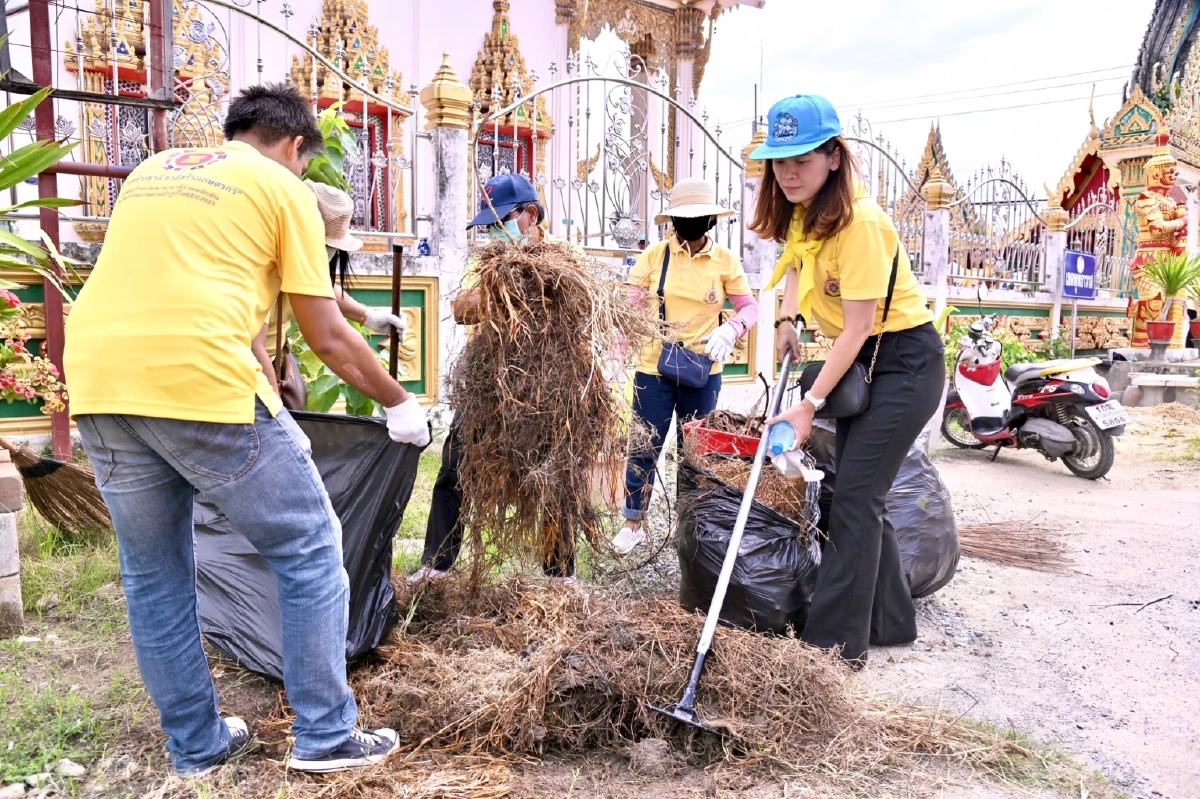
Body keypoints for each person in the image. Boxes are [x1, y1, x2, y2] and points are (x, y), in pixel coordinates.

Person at [63, 84, 430, 777]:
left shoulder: (154, 171)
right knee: (310, 545)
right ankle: (326, 735)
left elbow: (223, 300)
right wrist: (398, 402)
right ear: (295, 147)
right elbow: (326, 335)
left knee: (155, 574)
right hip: (196, 375)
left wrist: (267, 382)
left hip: (98, 378)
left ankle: (197, 745)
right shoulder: (283, 187)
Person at [750, 94, 944, 666]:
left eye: (803, 158)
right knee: (858, 494)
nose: (788, 172)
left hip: (905, 363)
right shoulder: (806, 214)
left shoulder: (861, 225)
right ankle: (888, 621)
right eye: (779, 160)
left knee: (856, 496)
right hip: (869, 363)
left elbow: (857, 328)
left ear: (834, 157)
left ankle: (831, 649)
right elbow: (795, 265)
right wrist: (787, 321)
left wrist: (808, 404)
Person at [411, 173, 577, 581]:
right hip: (489, 380)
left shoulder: (566, 258)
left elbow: (579, 310)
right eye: (488, 225)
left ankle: (560, 573)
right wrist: (504, 286)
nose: (493, 232)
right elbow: (463, 309)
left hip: (549, 384)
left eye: (500, 221)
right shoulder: (487, 263)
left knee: (555, 475)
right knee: (455, 466)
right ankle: (438, 565)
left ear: (531, 215)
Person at [611, 178, 759, 555]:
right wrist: (617, 353)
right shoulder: (655, 256)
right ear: (672, 221)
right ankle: (633, 522)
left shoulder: (725, 261)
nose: (689, 226)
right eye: (682, 219)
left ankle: (688, 522)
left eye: (697, 218)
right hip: (653, 366)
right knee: (644, 444)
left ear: (710, 220)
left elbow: (749, 307)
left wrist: (732, 328)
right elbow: (630, 304)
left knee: (694, 450)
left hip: (702, 372)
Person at [254, 180, 407, 398]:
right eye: (327, 246)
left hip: (275, 360)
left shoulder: (299, 265)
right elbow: (254, 347)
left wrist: (368, 316)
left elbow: (320, 287)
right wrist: (274, 409)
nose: (330, 254)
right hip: (247, 373)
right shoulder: (265, 269)